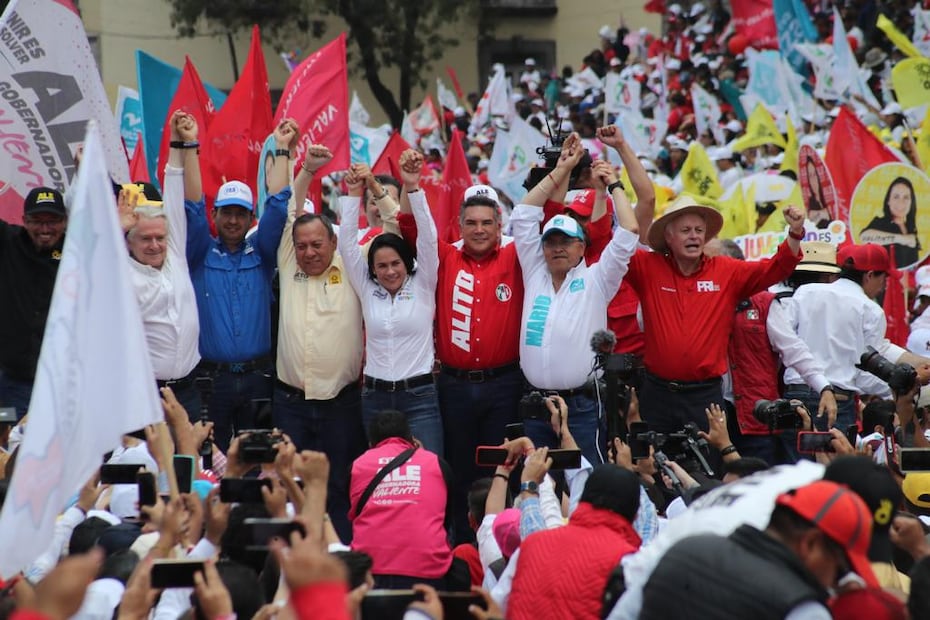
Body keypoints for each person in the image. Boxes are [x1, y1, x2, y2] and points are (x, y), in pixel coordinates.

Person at [274, 140, 403, 542]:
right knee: (291, 487)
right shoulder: (288, 261)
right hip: (291, 404)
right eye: (302, 246)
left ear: (333, 242)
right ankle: (296, 560)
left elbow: (395, 230)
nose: (309, 252)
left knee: (340, 487)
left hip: (341, 406)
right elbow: (288, 210)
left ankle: (340, 556)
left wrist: (374, 189)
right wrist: (308, 170)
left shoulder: (354, 261)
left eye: (317, 244)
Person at [622, 194, 805, 436]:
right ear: (668, 237)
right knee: (653, 458)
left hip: (704, 396)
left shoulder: (726, 271)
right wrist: (609, 191)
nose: (694, 236)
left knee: (710, 457)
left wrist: (795, 232)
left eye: (699, 230)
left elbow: (775, 268)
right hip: (657, 394)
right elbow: (616, 248)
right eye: (686, 230)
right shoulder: (648, 267)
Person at [512, 132, 640, 464]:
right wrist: (563, 168)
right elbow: (523, 215)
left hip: (581, 407)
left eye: (566, 242)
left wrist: (613, 185)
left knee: (585, 481)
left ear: (581, 247)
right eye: (551, 242)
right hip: (537, 406)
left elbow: (628, 231)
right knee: (539, 483)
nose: (557, 248)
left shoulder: (597, 278)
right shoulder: (534, 272)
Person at [185, 118, 297, 451]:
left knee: (259, 455)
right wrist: (188, 146)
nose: (233, 220)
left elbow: (277, 206)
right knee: (209, 456)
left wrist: (281, 148)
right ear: (215, 215)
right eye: (226, 213)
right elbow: (191, 209)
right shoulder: (199, 253)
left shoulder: (262, 253)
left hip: (258, 379)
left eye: (240, 214)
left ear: (251, 218)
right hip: (210, 380)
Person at [639, 480, 877, 619]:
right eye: (840, 570)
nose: (836, 584)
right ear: (811, 544)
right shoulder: (803, 609)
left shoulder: (685, 549)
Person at [338, 154, 443, 455]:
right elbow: (347, 246)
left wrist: (413, 187)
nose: (390, 272)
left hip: (420, 396)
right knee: (380, 472)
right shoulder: (367, 288)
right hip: (375, 398)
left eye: (395, 263)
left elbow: (428, 239)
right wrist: (353, 194)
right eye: (381, 266)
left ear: (406, 263)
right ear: (372, 269)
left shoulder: (424, 283)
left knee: (428, 469)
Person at [783, 244, 930, 430]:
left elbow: (784, 342)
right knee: (834, 450)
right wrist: (909, 382)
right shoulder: (871, 310)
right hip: (836, 401)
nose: (884, 285)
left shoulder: (806, 292)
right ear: (869, 275)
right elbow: (865, 375)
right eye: (884, 277)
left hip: (796, 395)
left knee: (793, 450)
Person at [120, 110, 202, 419]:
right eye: (146, 239)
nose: (155, 245)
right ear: (129, 242)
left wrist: (178, 142)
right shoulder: (121, 272)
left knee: (192, 452)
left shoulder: (175, 257)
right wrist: (117, 227)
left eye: (160, 238)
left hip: (188, 391)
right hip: (144, 394)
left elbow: (174, 195)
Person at [506, 464, 643, 620]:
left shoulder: (531, 545)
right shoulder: (630, 562)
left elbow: (497, 604)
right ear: (636, 515)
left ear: (582, 499)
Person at [349, 409, 454, 590]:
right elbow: (445, 519)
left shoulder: (357, 465)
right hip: (427, 570)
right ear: (412, 439)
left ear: (370, 444)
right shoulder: (436, 463)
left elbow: (353, 516)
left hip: (369, 570)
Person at [0, 186, 68, 419]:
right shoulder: (8, 242)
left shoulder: (77, 251)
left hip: (62, 386)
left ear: (65, 221)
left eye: (53, 221)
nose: (45, 229)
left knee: (58, 442)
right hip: (11, 383)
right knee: (6, 437)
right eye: (37, 221)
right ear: (24, 221)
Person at [861, 176, 920, 267]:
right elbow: (864, 238)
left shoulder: (911, 228)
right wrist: (903, 239)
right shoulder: (880, 223)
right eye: (896, 197)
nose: (901, 202)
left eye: (906, 197)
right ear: (888, 201)